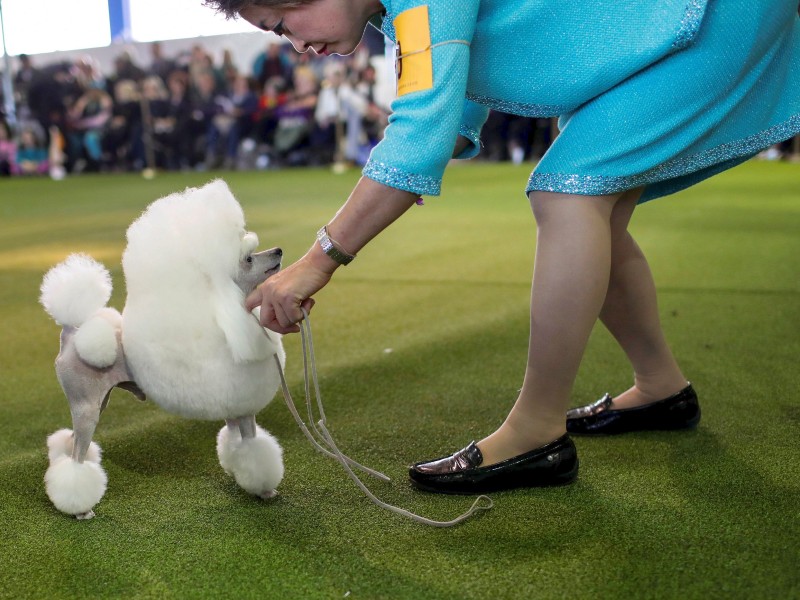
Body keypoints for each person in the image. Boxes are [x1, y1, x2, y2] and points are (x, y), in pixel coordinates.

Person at [205, 0, 800, 494]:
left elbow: (420, 138)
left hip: (711, 13)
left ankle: (538, 429)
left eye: (283, 24)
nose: (296, 47)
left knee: (568, 196)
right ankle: (661, 389)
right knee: (589, 203)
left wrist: (318, 261)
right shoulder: (397, 13)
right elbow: (450, 99)